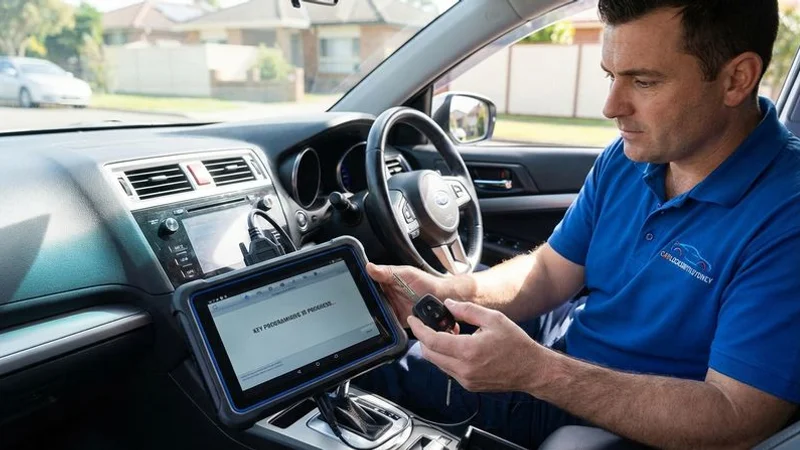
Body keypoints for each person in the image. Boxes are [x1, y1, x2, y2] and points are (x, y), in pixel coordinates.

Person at [356, 1, 800, 448]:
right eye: (611, 76)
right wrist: (444, 290)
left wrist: (537, 372)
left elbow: (737, 415)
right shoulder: (633, 155)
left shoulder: (788, 214)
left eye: (644, 81)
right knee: (373, 338)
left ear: (736, 79)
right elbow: (549, 271)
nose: (611, 107)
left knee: (366, 369)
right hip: (560, 345)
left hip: (608, 408)